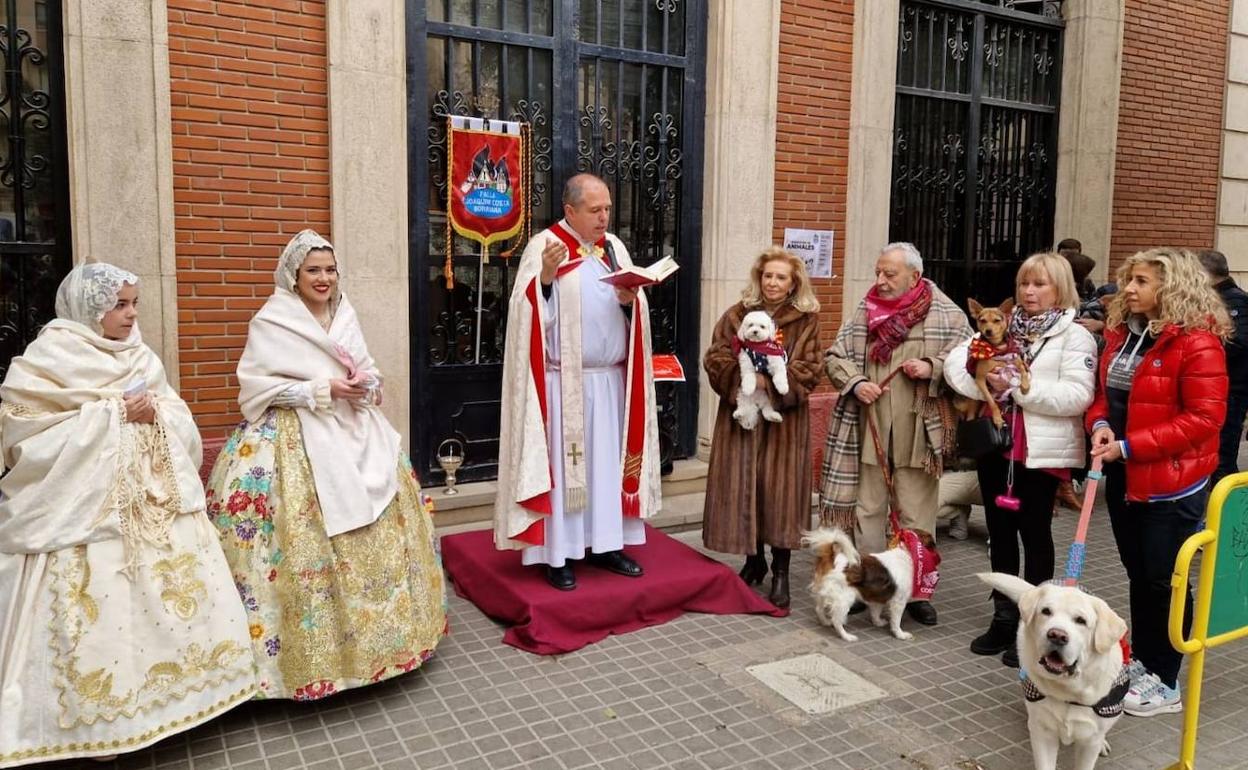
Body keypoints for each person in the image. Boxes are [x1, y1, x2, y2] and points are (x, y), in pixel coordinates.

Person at [0, 264, 256, 765]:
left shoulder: (140, 353)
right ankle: (100, 727)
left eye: (134, 302)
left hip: (154, 503)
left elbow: (177, 414)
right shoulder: (49, 359)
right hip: (82, 515)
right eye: (120, 304)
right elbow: (23, 437)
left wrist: (154, 411)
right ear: (89, 308)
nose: (131, 313)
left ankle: (180, 705)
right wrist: (114, 412)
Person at [206, 230, 446, 700]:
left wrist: (364, 385)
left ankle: (386, 646)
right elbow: (257, 391)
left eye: (330, 270)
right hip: (296, 441)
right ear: (293, 276)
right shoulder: (273, 320)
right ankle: (310, 662)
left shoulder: (345, 314)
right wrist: (324, 390)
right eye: (313, 270)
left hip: (359, 433)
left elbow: (370, 374)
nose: (324, 278)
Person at [495, 174, 661, 590]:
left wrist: (630, 303)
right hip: (562, 385)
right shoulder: (545, 247)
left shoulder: (614, 249)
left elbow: (633, 311)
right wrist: (546, 281)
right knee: (567, 470)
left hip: (609, 383)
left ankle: (607, 544)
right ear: (570, 211)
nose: (604, 217)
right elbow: (524, 318)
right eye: (595, 210)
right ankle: (559, 555)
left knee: (605, 467)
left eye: (607, 208)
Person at [1088, 248, 1228, 716]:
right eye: (1129, 280)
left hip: (1173, 483)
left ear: (1171, 288)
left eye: (1141, 281)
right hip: (1126, 475)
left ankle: (1166, 680)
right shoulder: (1120, 335)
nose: (1128, 289)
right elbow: (1101, 395)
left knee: (1163, 580)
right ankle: (1144, 663)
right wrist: (1101, 424)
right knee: (1140, 576)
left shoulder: (1197, 343)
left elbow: (1205, 419)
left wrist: (1129, 446)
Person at [945, 253, 1097, 667]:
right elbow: (955, 367)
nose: (1029, 292)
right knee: (999, 529)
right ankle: (1004, 614)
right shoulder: (999, 326)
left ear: (1060, 288)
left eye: (1040, 284)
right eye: (1024, 284)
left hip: (1040, 453)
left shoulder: (1075, 337)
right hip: (996, 446)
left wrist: (1019, 389)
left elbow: (1077, 397)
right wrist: (984, 386)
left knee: (1035, 534)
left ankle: (1034, 626)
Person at [820, 242, 971, 626]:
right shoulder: (864, 309)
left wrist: (933, 366)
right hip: (868, 426)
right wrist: (855, 383)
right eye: (878, 272)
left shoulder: (945, 312)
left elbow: (970, 358)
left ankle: (917, 591)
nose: (880, 281)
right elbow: (835, 356)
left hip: (919, 431)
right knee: (867, 509)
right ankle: (871, 583)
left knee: (917, 511)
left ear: (914, 276)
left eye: (890, 274)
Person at [702, 247, 822, 608]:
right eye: (768, 275)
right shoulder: (736, 314)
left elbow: (812, 368)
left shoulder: (806, 320)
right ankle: (754, 562)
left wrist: (770, 383)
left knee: (780, 496)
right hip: (741, 420)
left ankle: (781, 572)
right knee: (744, 489)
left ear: (793, 283)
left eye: (781, 277)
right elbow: (716, 356)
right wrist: (740, 377)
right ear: (759, 278)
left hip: (784, 425)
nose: (773, 282)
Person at [1197, 249, 1248, 484]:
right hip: (1221, 386)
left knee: (1225, 450)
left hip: (1233, 387)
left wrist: (1201, 353)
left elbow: (1237, 342)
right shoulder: (1218, 299)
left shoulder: (1236, 300)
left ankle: (1230, 507)